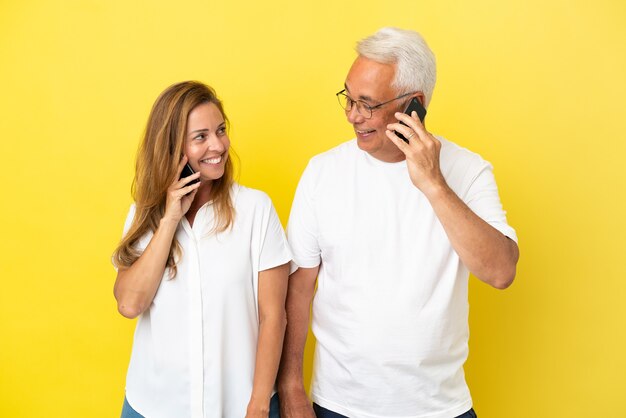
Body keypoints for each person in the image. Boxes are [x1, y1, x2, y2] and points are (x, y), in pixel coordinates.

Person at [277, 28, 519, 418]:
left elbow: (501, 271)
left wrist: (434, 184)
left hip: (440, 409)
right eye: (349, 98)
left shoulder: (468, 171)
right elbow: (298, 291)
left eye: (367, 104)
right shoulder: (322, 173)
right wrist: (290, 385)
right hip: (338, 406)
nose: (352, 115)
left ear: (414, 106)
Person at [112, 81, 291, 418]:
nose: (218, 145)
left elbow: (273, 317)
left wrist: (258, 404)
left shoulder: (255, 209)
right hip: (154, 406)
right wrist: (169, 220)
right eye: (201, 136)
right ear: (172, 146)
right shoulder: (143, 214)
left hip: (239, 406)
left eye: (221, 131)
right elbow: (130, 303)